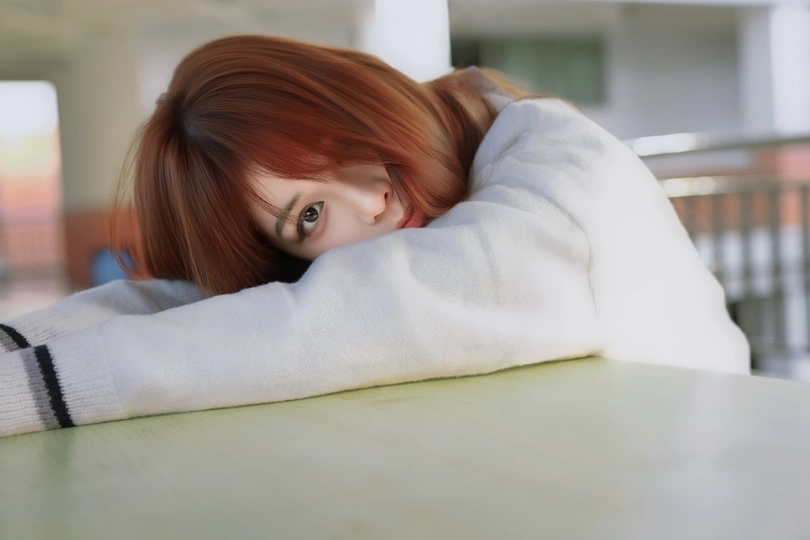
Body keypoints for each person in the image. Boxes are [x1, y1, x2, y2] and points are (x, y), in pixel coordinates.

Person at [0, 35, 749, 438]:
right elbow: (224, 305)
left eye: (345, 149)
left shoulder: (559, 175)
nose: (374, 198)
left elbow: (329, 319)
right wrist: (18, 342)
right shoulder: (456, 168)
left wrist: (29, 394)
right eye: (309, 216)